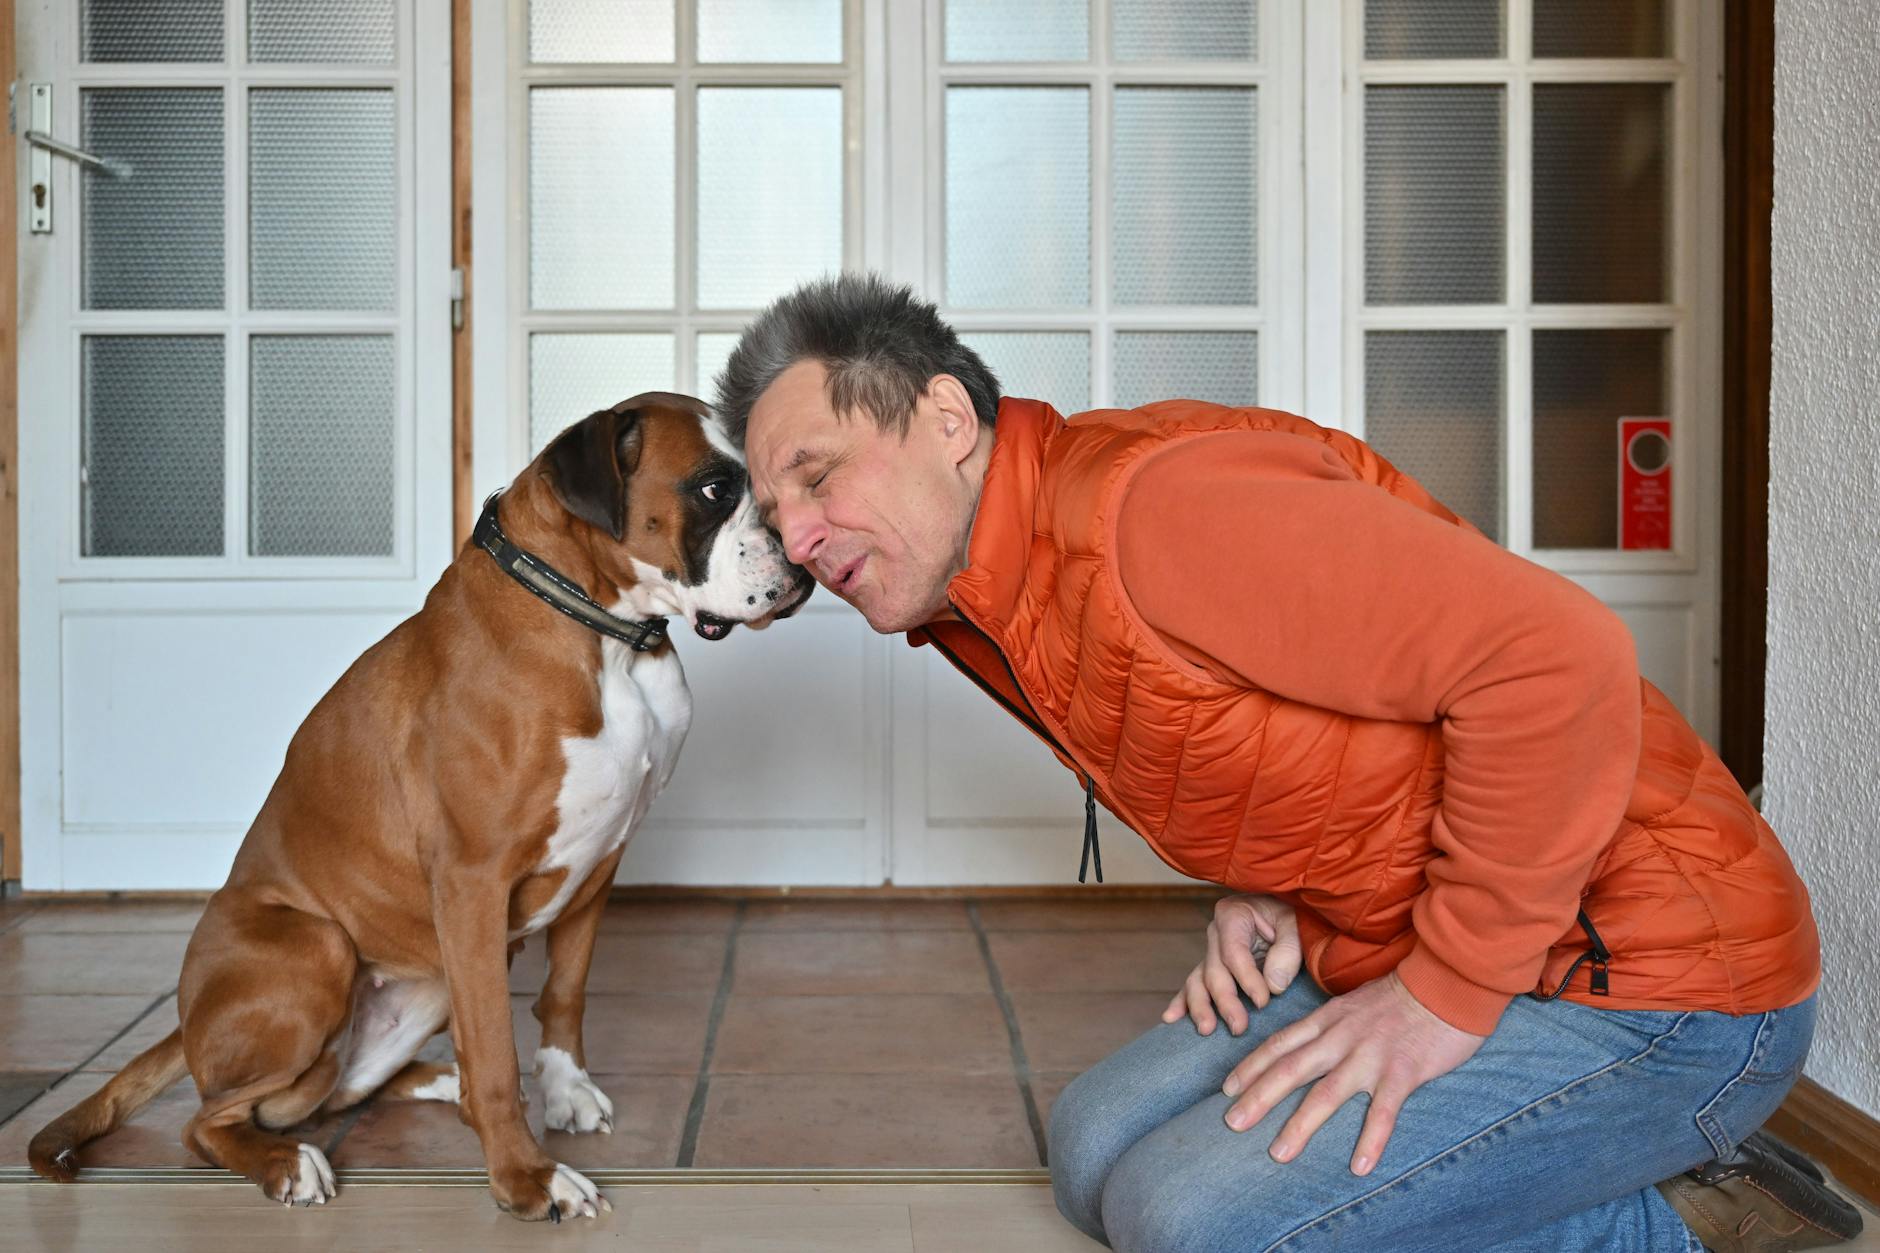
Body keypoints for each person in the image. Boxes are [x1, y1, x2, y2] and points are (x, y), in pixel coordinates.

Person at [715, 272, 1855, 1253]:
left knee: (1186, 1217)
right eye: (776, 507)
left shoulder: (1154, 509)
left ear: (946, 417)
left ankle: (1685, 1207)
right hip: (1396, 931)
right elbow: (1280, 713)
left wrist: (1438, 997)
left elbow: (1557, 663)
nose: (798, 536)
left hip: (1659, 984)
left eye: (817, 475)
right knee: (1090, 1149)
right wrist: (1264, 881)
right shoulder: (993, 594)